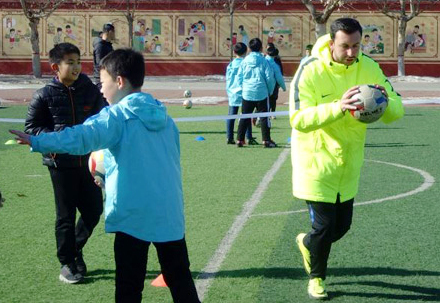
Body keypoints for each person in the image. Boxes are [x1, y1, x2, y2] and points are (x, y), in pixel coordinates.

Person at [11, 49, 201, 303]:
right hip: (169, 212)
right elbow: (160, 163)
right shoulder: (166, 119)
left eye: (103, 82)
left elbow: (80, 138)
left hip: (133, 215)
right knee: (180, 281)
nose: (100, 89)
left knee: (128, 288)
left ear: (119, 81)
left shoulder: (116, 117)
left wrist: (39, 141)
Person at [289, 18, 404, 299]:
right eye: (345, 47)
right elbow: (298, 119)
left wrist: (383, 103)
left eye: (356, 46)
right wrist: (338, 107)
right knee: (325, 226)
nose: (352, 53)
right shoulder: (310, 69)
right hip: (316, 164)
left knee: (341, 227)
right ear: (331, 43)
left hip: (349, 164)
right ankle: (317, 278)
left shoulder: (369, 66)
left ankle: (307, 243)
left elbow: (397, 108)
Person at [23, 42, 105, 284]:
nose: (76, 67)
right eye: (70, 62)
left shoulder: (89, 90)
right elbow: (32, 129)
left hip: (87, 164)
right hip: (60, 166)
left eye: (79, 62)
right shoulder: (44, 95)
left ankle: (75, 248)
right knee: (65, 216)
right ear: (55, 67)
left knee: (94, 210)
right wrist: (59, 137)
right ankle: (67, 263)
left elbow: (103, 118)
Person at [236, 38, 276, 148]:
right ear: (261, 48)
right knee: (264, 117)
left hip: (247, 93)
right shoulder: (264, 61)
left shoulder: (244, 61)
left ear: (249, 48)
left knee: (244, 116)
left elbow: (239, 77)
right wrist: (270, 90)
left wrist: (243, 88)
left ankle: (240, 139)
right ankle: (266, 140)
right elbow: (269, 78)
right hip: (261, 92)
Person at [225, 42, 257, 145]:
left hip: (232, 93)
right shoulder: (245, 63)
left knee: (231, 115)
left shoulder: (230, 65)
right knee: (246, 115)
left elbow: (228, 79)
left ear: (234, 52)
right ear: (246, 52)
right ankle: (248, 137)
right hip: (244, 92)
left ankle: (229, 137)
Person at [265, 43, 286, 114]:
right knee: (269, 99)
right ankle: (264, 116)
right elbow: (279, 76)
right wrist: (283, 87)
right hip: (270, 84)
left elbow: (280, 73)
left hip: (269, 84)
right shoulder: (271, 63)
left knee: (271, 99)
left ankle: (271, 113)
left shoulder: (264, 60)